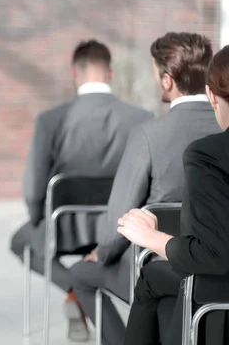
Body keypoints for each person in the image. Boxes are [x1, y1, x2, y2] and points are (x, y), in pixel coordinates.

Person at [68, 32, 220, 344]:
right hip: (216, 262)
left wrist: (103, 254)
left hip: (159, 261)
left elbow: (120, 219)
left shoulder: (150, 135)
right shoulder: (223, 127)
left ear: (166, 80)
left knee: (81, 274)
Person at [10, 40, 152, 340]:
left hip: (64, 227)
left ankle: (77, 292)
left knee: (21, 241)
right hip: (118, 229)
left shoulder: (51, 120)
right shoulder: (140, 119)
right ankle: (85, 291)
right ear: (110, 72)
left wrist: (39, 218)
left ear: (74, 72)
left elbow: (34, 188)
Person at [117, 44, 229, 345]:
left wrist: (151, 238)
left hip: (218, 300)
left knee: (152, 280)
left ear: (212, 96)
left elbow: (214, 256)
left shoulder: (207, 155)